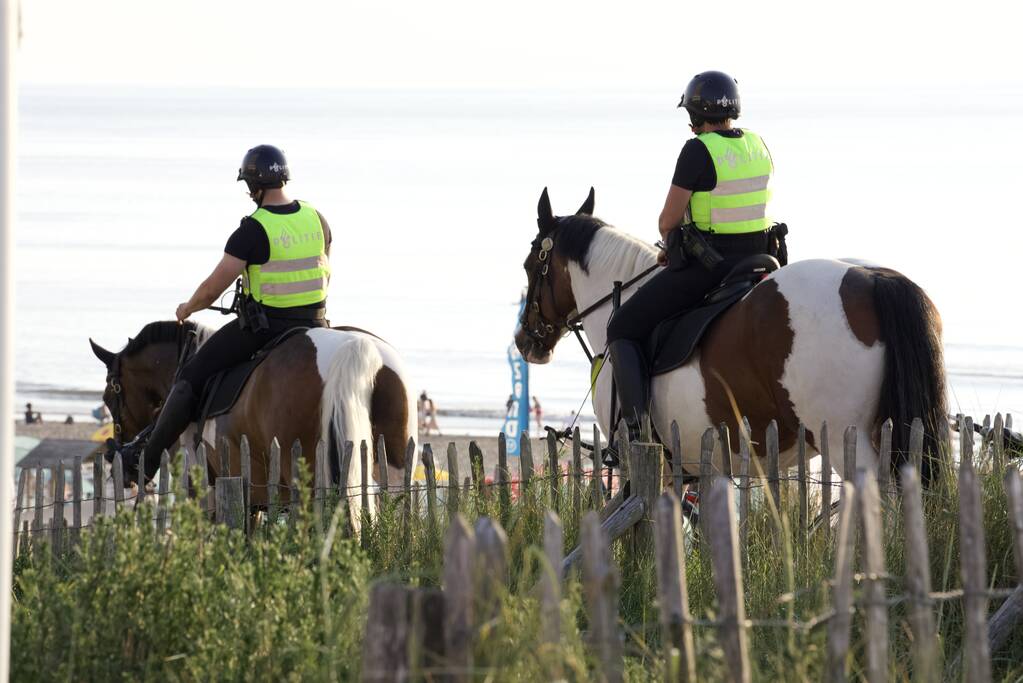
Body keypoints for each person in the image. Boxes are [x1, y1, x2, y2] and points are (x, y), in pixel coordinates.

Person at [119, 144, 332, 482]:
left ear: (253, 186)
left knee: (190, 376)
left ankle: (146, 462)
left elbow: (212, 290)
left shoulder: (252, 229)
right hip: (317, 325)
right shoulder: (316, 219)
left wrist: (186, 308)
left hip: (266, 329)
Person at [606, 71, 778, 442]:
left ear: (695, 115)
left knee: (621, 326)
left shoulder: (698, 150)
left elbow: (669, 219)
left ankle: (636, 436)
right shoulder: (757, 144)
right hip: (760, 263)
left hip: (711, 269)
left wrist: (670, 240)